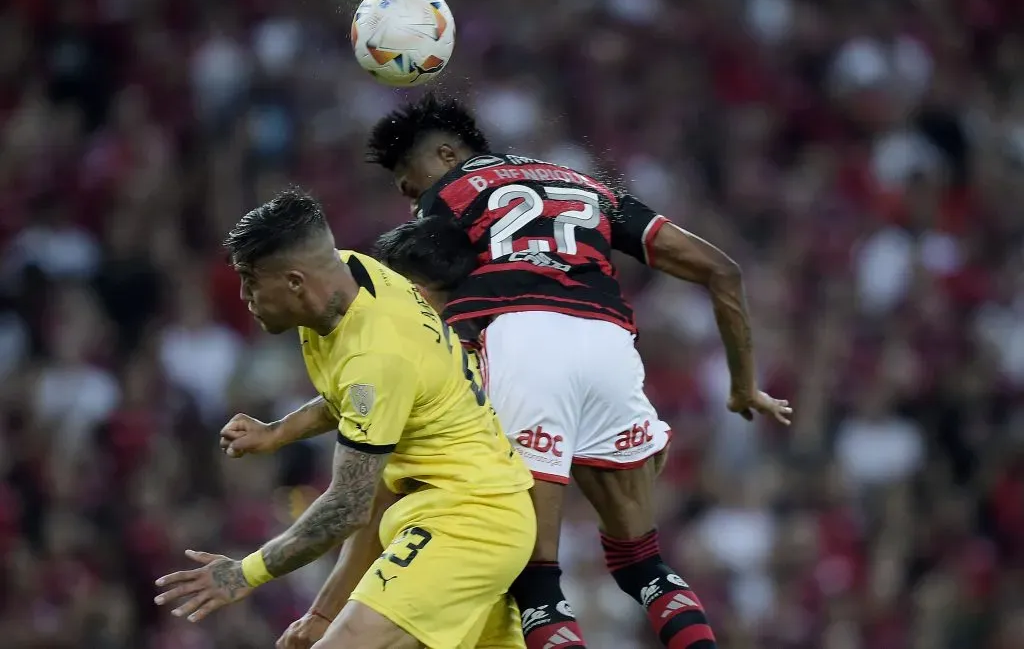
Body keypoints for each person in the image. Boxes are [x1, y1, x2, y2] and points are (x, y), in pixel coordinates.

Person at [361, 94, 791, 649]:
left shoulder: (448, 194)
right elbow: (722, 272)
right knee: (642, 561)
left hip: (522, 343)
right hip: (609, 345)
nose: (403, 190)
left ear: (446, 153)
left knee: (535, 582)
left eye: (405, 173)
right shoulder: (588, 186)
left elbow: (423, 292)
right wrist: (743, 385)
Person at [153, 190, 536, 649]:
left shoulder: (375, 355)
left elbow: (348, 506)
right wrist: (279, 433)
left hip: (464, 525)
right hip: (465, 517)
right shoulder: (352, 276)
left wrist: (244, 573)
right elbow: (358, 400)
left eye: (251, 282)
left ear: (295, 282)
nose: (244, 297)